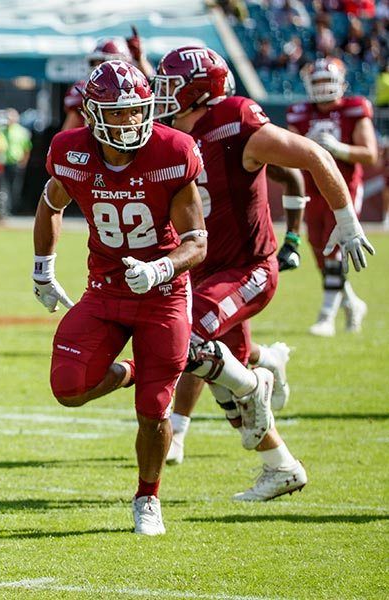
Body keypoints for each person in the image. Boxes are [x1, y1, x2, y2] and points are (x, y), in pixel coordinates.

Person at [154, 47, 374, 499]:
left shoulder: (237, 120)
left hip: (247, 267)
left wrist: (345, 219)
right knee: (221, 380)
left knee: (189, 341)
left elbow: (312, 156)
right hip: (204, 270)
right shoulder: (173, 133)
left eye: (170, 86)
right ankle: (282, 465)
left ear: (199, 90)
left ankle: (257, 383)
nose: (162, 95)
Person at [34, 60, 208, 535]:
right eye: (118, 112)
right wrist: (43, 270)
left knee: (153, 411)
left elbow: (197, 239)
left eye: (137, 111)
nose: (131, 121)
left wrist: (161, 267)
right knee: (68, 387)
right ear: (91, 115)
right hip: (105, 288)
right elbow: (51, 202)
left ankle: (147, 498)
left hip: (163, 293)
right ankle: (134, 370)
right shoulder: (70, 150)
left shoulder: (172, 150)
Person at [286, 57, 379, 336]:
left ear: (341, 83)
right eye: (319, 82)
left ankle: (326, 316)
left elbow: (371, 154)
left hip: (344, 187)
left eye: (329, 81)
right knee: (320, 251)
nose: (324, 87)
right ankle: (351, 301)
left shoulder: (354, 109)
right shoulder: (299, 113)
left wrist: (337, 149)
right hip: (312, 189)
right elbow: (289, 153)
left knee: (335, 249)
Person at [60, 31, 153, 132]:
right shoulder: (85, 89)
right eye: (94, 63)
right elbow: (68, 132)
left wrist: (140, 58)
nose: (97, 69)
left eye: (101, 63)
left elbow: (151, 83)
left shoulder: (137, 88)